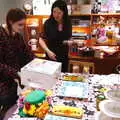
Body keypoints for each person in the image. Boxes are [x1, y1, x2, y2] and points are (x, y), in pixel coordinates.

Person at [0, 8, 34, 119]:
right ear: (10, 22)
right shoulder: (1, 35)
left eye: (23, 25)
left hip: (15, 80)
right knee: (6, 109)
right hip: (3, 83)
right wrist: (15, 73)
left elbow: (26, 54)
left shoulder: (17, 36)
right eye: (20, 25)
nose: (22, 28)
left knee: (13, 107)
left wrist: (39, 62)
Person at [39, 0, 74, 72]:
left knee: (63, 76)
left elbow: (68, 38)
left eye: (59, 13)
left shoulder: (68, 23)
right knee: (51, 77)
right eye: (54, 12)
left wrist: (71, 41)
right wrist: (48, 51)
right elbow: (41, 39)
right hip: (51, 55)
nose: (56, 15)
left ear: (64, 12)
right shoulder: (48, 23)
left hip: (64, 56)